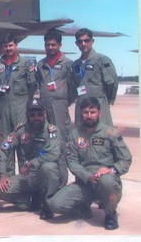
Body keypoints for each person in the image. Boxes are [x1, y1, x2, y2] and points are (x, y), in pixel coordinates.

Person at [47, 97, 132, 230]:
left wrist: (111, 170)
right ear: (81, 114)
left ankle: (110, 213)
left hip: (106, 181)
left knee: (107, 182)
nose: (89, 116)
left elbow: (125, 159)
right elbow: (72, 161)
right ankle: (83, 208)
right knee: (55, 204)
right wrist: (87, 176)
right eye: (86, 112)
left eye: (92, 112)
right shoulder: (75, 134)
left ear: (99, 113)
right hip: (85, 182)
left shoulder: (110, 133)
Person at [0, 98, 63, 220]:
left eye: (39, 114)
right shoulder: (21, 130)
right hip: (29, 177)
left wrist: (31, 163)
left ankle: (48, 203)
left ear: (45, 114)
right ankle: (31, 201)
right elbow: (3, 148)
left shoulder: (52, 131)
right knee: (0, 189)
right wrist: (2, 173)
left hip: (49, 176)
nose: (36, 118)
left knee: (48, 167)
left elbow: (53, 154)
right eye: (32, 115)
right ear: (27, 115)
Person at [0, 33, 37, 175]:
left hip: (21, 107)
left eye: (10, 45)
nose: (8, 48)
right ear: (2, 48)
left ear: (16, 46)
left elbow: (32, 85)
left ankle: (26, 177)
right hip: (4, 106)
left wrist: (26, 104)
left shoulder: (26, 64)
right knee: (6, 142)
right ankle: (7, 178)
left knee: (23, 141)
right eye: (5, 46)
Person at [37, 30, 74, 187]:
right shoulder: (41, 65)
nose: (50, 47)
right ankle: (45, 182)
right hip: (44, 107)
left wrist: (63, 101)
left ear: (59, 45)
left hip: (59, 106)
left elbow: (73, 88)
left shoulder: (67, 64)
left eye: (53, 44)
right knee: (43, 142)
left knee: (60, 144)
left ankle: (61, 183)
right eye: (47, 44)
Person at [71, 28, 118, 127]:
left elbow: (112, 83)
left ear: (92, 41)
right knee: (81, 137)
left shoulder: (102, 60)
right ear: (76, 44)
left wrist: (106, 101)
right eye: (80, 41)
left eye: (86, 40)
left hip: (99, 104)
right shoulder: (76, 64)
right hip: (81, 106)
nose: (83, 44)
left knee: (102, 135)